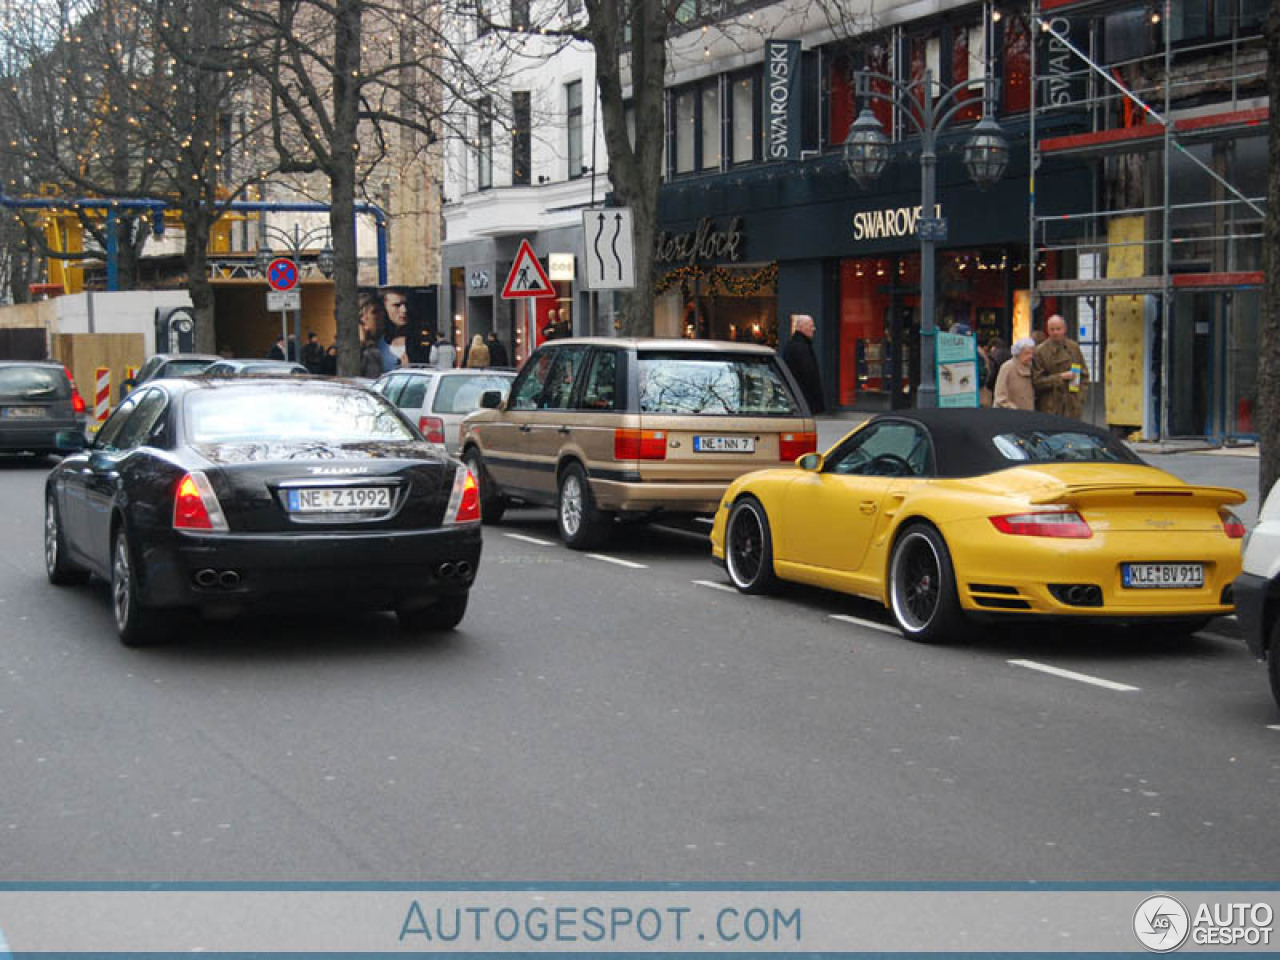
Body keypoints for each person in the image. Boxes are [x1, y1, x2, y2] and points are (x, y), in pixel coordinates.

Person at [1032, 314, 1090, 418]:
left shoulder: (1074, 348)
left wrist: (1080, 398)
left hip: (1072, 405)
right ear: (1047, 330)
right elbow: (1037, 381)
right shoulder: (1040, 352)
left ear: (1064, 329)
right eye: (1052, 329)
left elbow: (1084, 375)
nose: (1055, 332)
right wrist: (1060, 377)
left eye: (1058, 329)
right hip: (1050, 407)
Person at [780, 313, 825, 415]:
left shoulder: (793, 345)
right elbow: (808, 375)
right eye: (811, 326)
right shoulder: (802, 348)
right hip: (804, 400)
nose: (814, 329)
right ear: (802, 327)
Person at [993, 337, 1037, 411]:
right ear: (1018, 353)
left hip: (1028, 414)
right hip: (1011, 415)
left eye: (1032, 353)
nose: (1030, 356)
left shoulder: (1032, 367)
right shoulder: (1007, 367)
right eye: (1027, 353)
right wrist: (1014, 410)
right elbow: (1000, 395)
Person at [381, 290, 412, 370]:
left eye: (406, 304)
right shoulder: (375, 342)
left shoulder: (417, 340)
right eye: (397, 305)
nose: (404, 310)